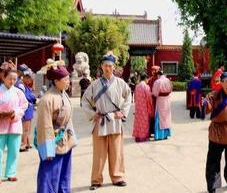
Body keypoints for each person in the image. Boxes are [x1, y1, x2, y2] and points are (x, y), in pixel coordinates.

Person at [82, 52, 132, 190]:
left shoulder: (120, 83)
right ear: (101, 67)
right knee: (99, 153)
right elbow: (85, 101)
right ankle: (96, 180)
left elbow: (128, 97)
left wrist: (123, 112)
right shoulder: (95, 84)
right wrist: (93, 114)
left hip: (115, 121)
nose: (108, 68)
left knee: (117, 151)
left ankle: (118, 177)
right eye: (105, 66)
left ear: (114, 67)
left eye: (110, 66)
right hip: (101, 121)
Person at [36, 61, 77, 193]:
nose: (68, 81)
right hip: (53, 143)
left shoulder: (63, 94)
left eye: (68, 78)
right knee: (49, 177)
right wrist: (48, 149)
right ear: (56, 80)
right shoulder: (47, 99)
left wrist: (72, 137)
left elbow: (68, 119)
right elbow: (45, 125)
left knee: (64, 175)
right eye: (65, 79)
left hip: (65, 140)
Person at [16, 65, 37, 152]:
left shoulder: (25, 85)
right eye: (29, 78)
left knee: (27, 128)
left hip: (29, 108)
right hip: (26, 108)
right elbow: (26, 96)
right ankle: (23, 144)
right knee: (25, 128)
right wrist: (34, 99)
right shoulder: (20, 85)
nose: (30, 80)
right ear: (24, 77)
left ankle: (27, 143)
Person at [132, 73, 153, 142]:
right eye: (148, 79)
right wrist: (150, 108)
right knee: (144, 122)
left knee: (138, 122)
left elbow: (135, 97)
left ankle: (137, 137)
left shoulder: (137, 86)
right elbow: (149, 98)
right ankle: (143, 137)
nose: (148, 81)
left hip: (138, 106)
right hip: (144, 107)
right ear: (146, 78)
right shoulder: (146, 87)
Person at [152, 70, 173, 140]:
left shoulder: (157, 81)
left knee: (160, 117)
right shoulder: (168, 80)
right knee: (166, 117)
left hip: (160, 100)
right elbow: (171, 89)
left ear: (158, 75)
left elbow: (154, 93)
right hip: (167, 99)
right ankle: (166, 134)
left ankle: (159, 135)